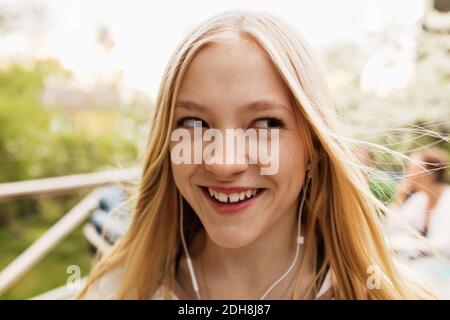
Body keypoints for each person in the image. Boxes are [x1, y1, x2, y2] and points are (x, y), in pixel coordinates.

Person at [78, 10, 432, 300]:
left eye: (265, 123)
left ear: (314, 148)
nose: (223, 162)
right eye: (196, 123)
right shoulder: (117, 291)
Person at [386, 148, 450, 259]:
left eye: (413, 168)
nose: (408, 174)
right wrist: (399, 198)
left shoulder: (447, 200)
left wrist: (408, 245)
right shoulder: (420, 199)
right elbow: (393, 229)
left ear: (431, 174)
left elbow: (443, 246)